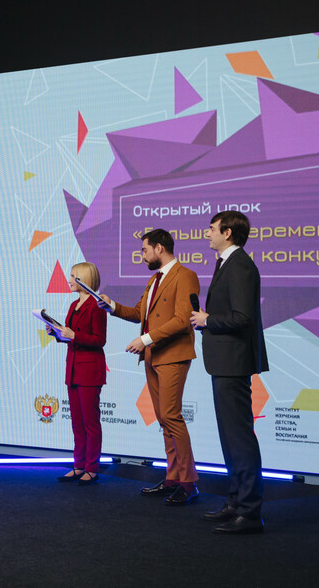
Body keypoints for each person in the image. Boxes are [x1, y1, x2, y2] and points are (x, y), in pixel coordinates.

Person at [100, 228, 200, 505]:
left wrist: (145, 339)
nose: (141, 255)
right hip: (153, 356)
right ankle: (173, 478)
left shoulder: (185, 275)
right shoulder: (154, 280)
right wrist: (112, 306)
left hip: (172, 355)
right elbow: (139, 313)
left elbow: (182, 320)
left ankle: (189, 483)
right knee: (164, 418)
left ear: (159, 248)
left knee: (171, 416)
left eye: (144, 250)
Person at [190, 211, 269, 534]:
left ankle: (249, 511)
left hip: (233, 362)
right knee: (230, 437)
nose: (207, 233)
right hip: (225, 361)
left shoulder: (240, 266)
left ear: (228, 233)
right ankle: (236, 502)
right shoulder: (227, 263)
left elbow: (242, 317)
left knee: (239, 437)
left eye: (211, 229)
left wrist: (207, 320)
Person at [48, 263, 107, 485]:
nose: (69, 280)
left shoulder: (97, 305)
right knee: (77, 423)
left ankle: (92, 468)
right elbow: (70, 336)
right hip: (73, 369)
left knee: (90, 423)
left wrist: (74, 335)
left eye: (73, 276)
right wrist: (57, 333)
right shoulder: (74, 304)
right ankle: (79, 465)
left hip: (89, 370)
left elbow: (100, 340)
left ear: (84, 279)